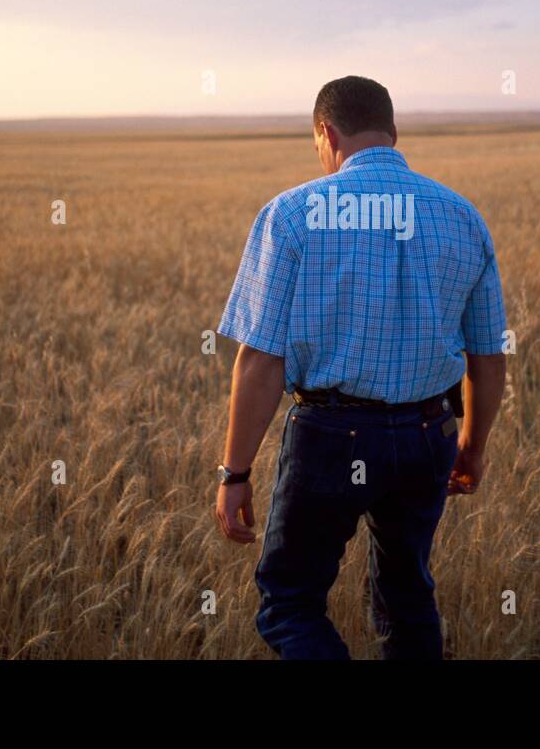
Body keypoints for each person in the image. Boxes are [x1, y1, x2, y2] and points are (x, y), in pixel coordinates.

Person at [213, 75, 508, 659]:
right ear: (393, 132)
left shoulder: (291, 215)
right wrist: (471, 445)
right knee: (406, 594)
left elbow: (259, 361)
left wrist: (234, 473)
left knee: (291, 604)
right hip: (429, 437)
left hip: (329, 438)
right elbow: (488, 354)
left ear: (327, 132)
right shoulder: (462, 216)